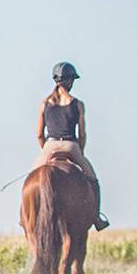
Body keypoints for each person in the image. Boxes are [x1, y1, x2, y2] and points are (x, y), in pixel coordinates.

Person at [36, 62, 109, 229]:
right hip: (70, 146)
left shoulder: (44, 104)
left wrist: (46, 151)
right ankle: (97, 218)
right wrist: (80, 153)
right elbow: (82, 134)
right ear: (69, 81)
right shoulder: (78, 104)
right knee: (93, 180)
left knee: (31, 178)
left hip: (50, 145)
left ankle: (27, 215)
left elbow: (39, 134)